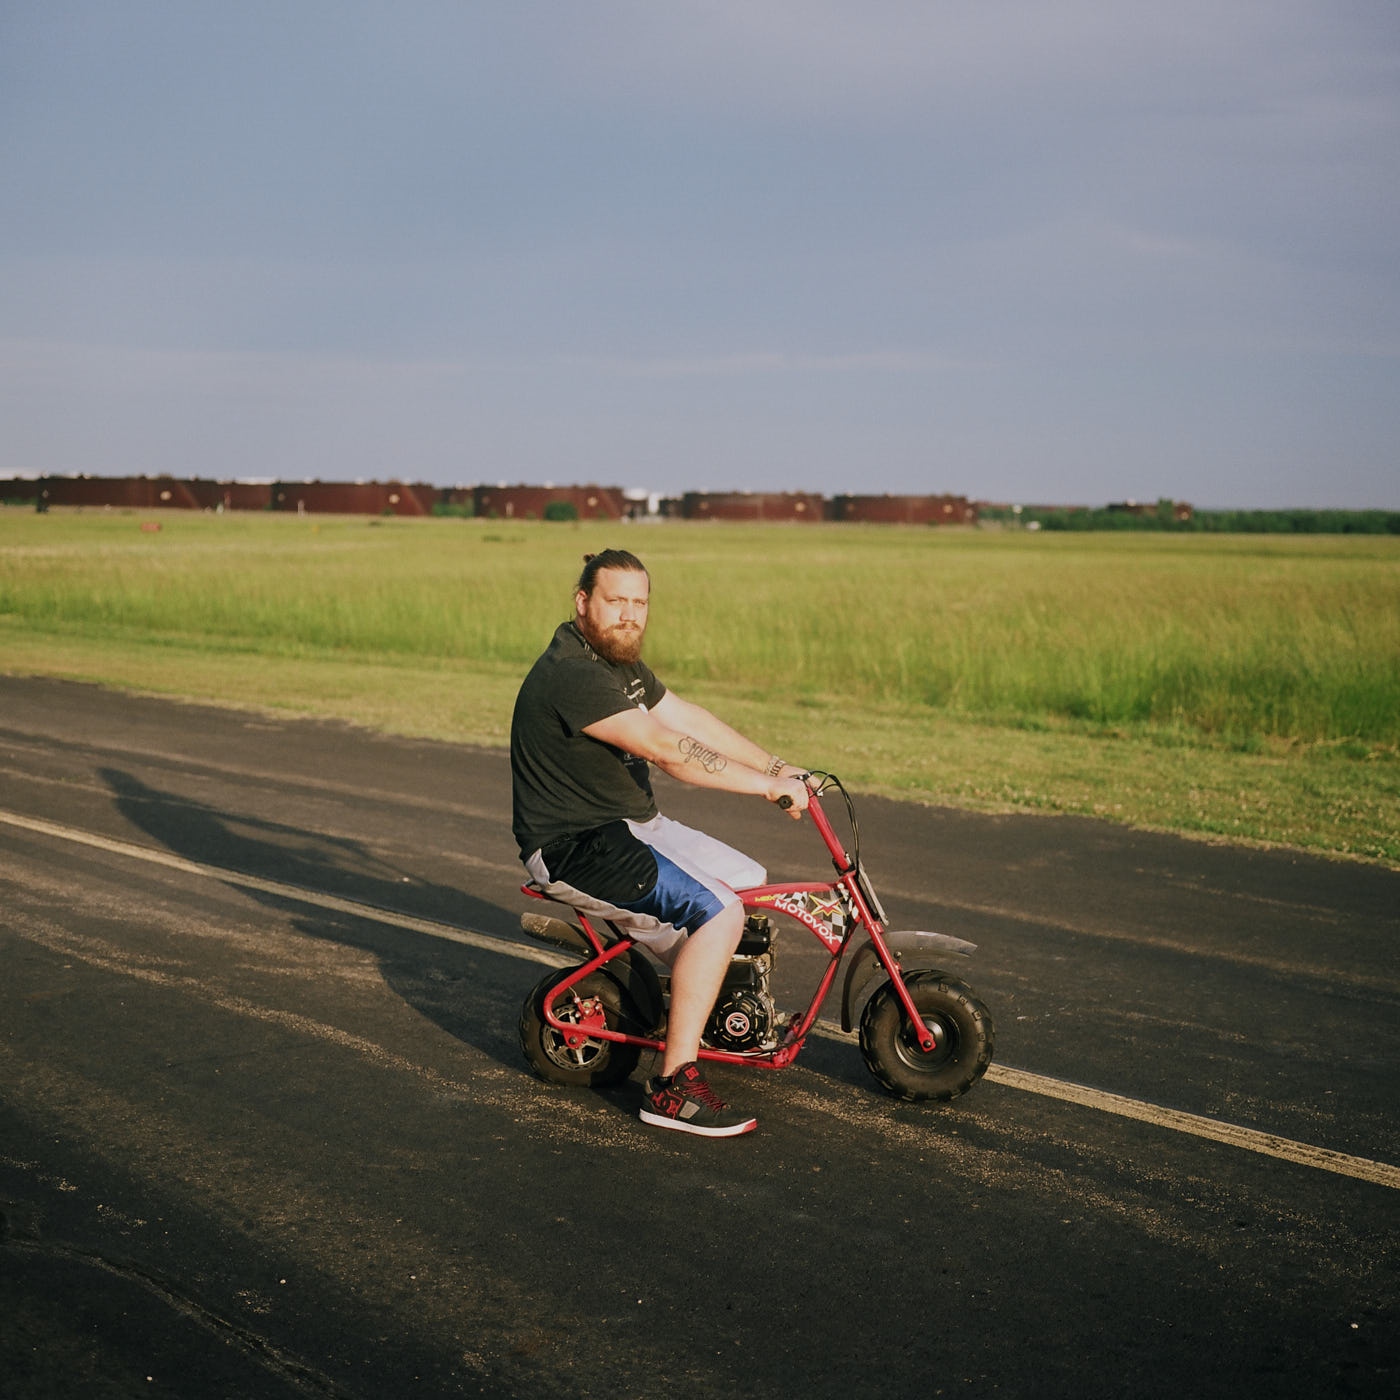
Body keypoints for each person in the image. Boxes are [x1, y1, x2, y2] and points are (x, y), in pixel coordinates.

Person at [510, 548, 810, 1137]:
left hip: (632, 827)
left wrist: (781, 766)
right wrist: (765, 788)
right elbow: (669, 751)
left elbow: (688, 719)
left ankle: (711, 1014)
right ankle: (673, 1085)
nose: (629, 614)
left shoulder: (619, 661)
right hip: (577, 845)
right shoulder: (573, 672)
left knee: (749, 882)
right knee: (719, 912)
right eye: (615, 600)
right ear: (583, 602)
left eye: (639, 603)